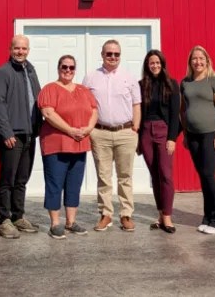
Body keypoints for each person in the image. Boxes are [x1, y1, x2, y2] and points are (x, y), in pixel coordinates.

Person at [37, 55, 99, 240]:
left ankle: (71, 222)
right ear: (58, 67)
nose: (68, 70)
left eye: (72, 67)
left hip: (79, 144)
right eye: (64, 66)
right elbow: (48, 113)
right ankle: (55, 224)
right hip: (56, 144)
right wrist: (70, 130)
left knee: (74, 184)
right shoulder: (49, 89)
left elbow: (94, 110)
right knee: (55, 183)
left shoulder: (83, 90)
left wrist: (88, 129)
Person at [83, 39, 142, 232]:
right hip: (100, 133)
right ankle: (105, 214)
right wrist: (90, 129)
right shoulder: (90, 78)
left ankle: (126, 214)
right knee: (104, 177)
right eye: (109, 54)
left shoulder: (129, 78)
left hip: (125, 132)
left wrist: (135, 127)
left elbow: (136, 105)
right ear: (102, 55)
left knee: (125, 176)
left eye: (116, 54)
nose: (113, 57)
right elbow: (85, 105)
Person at [0, 35, 42, 238]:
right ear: (10, 49)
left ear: (28, 50)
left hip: (30, 133)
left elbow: (38, 98)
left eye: (24, 48)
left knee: (22, 178)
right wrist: (6, 131)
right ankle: (4, 220)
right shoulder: (2, 73)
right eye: (17, 48)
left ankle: (18, 216)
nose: (20, 51)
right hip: (12, 135)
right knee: (7, 179)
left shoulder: (30, 70)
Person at [181, 45, 215, 235]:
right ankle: (207, 217)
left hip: (210, 134)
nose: (198, 62)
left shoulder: (213, 80)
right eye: (194, 59)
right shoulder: (185, 82)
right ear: (190, 62)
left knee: (209, 175)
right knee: (203, 176)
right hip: (192, 136)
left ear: (207, 60)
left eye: (201, 58)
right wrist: (184, 133)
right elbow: (183, 110)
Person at [138, 50, 181, 234]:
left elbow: (174, 113)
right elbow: (138, 112)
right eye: (151, 63)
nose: (154, 65)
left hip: (163, 131)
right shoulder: (141, 85)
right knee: (154, 175)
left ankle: (168, 217)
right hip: (146, 131)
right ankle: (160, 215)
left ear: (162, 64)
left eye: (157, 62)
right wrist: (139, 138)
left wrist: (172, 138)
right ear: (147, 66)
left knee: (165, 174)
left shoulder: (171, 84)